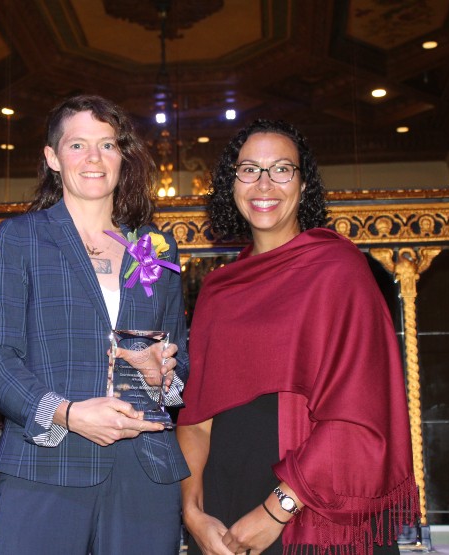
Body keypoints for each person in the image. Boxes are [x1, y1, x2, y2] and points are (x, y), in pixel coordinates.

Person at [176, 119, 419, 555]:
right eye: (249, 169)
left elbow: (358, 415)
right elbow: (196, 422)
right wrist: (192, 513)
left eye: (282, 169)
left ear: (303, 185)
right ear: (231, 185)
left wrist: (276, 510)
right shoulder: (217, 290)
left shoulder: (338, 271)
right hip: (224, 513)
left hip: (314, 509)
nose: (264, 183)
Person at [0, 95, 189, 555]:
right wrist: (68, 414)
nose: (94, 158)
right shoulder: (20, 238)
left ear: (122, 156)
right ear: (53, 157)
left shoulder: (156, 245)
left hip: (145, 468)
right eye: (77, 145)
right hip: (46, 466)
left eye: (107, 145)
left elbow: (179, 356)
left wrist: (163, 375)